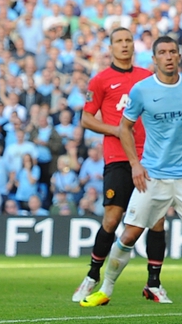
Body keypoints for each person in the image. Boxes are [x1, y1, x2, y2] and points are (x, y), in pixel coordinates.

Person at [80, 36, 182, 307]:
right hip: (153, 174)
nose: (168, 56)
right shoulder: (142, 90)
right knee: (129, 233)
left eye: (173, 52)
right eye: (163, 53)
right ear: (154, 59)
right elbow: (125, 127)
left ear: (179, 56)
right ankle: (105, 289)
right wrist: (135, 163)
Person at [72, 27, 169, 304]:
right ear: (111, 47)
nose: (124, 45)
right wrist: (117, 130)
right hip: (118, 158)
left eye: (128, 40)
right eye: (119, 41)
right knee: (112, 219)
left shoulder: (147, 78)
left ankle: (154, 284)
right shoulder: (101, 80)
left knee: (157, 219)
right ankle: (91, 276)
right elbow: (87, 119)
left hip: (149, 159)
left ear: (133, 47)